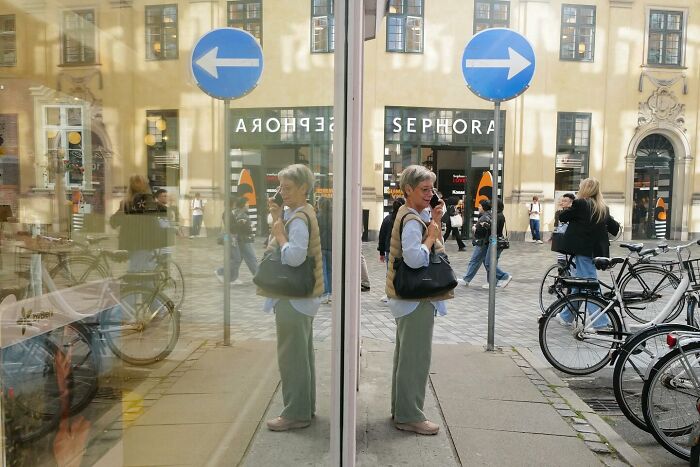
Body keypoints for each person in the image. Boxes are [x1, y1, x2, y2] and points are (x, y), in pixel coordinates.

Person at [386, 164, 452, 436]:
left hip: (407, 299)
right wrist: (431, 238)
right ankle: (410, 416)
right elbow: (414, 258)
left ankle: (401, 410)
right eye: (424, 189)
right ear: (409, 189)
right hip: (416, 299)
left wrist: (434, 217)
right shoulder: (413, 221)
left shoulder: (412, 214)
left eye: (432, 189)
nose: (430, 194)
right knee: (416, 360)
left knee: (406, 358)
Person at [259, 164, 323, 432]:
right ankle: (303, 407)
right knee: (302, 355)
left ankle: (295, 413)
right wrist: (278, 216)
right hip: (303, 297)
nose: (282, 192)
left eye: (288, 187)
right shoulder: (300, 213)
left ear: (303, 188)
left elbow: (295, 256)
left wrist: (280, 236)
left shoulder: (298, 219)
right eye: (280, 187)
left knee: (292, 358)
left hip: (293, 297)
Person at [556, 177, 620, 328]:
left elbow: (563, 217)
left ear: (584, 189)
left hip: (582, 250)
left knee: (591, 285)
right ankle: (566, 316)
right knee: (580, 283)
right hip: (597, 251)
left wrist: (570, 207)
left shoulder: (580, 203)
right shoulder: (603, 207)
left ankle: (600, 322)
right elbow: (614, 228)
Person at [109, 175, 167, 273]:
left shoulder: (126, 204)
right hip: (145, 244)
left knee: (137, 273)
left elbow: (114, 223)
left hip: (131, 245)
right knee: (142, 276)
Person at [215, 196, 257, 285]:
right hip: (231, 237)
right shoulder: (228, 213)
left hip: (234, 237)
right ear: (232, 203)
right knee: (237, 259)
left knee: (237, 259)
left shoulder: (230, 213)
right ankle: (220, 271)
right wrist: (241, 224)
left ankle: (232, 278)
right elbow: (231, 228)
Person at [456, 199, 491, 287]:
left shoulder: (485, 217)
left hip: (482, 242)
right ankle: (492, 280)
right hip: (485, 242)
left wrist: (475, 228)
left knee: (475, 261)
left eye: (480, 206)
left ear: (483, 207)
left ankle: (466, 279)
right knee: (485, 262)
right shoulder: (488, 215)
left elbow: (481, 231)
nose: (478, 207)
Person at [378, 197, 405, 302]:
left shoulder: (388, 219)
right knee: (401, 272)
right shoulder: (405, 219)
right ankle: (400, 292)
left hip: (390, 250)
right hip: (402, 250)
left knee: (390, 272)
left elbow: (382, 235)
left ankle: (390, 294)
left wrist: (381, 251)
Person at [482, 199, 512, 289]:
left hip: (495, 241)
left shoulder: (498, 216)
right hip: (496, 240)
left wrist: (486, 225)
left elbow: (495, 229)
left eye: (492, 206)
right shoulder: (500, 215)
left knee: (488, 263)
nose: (491, 207)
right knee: (493, 262)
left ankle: (504, 276)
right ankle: (494, 282)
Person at [551, 193, 575, 266]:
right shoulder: (559, 212)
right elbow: (557, 226)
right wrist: (552, 235)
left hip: (571, 240)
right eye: (562, 201)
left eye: (565, 201)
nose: (562, 202)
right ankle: (561, 275)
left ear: (571, 202)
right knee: (561, 262)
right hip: (561, 239)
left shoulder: (574, 213)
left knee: (572, 263)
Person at [317, 197, 332, 304]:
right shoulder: (333, 217)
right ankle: (331, 293)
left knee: (323, 271)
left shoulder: (318, 217)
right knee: (330, 270)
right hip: (331, 247)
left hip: (322, 246)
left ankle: (325, 293)